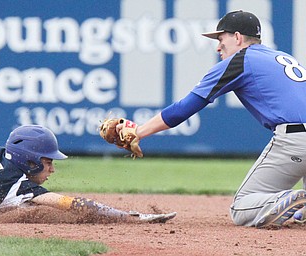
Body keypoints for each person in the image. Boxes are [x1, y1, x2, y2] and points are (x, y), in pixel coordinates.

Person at [117, 10, 306, 228]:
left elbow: (183, 109)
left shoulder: (241, 60)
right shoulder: (282, 57)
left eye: (220, 38)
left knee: (242, 208)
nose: (218, 47)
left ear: (237, 37)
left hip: (296, 140)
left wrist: (139, 131)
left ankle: (282, 199)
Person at [0, 124, 176, 223]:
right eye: (48, 161)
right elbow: (71, 204)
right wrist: (129, 217)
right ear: (29, 161)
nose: (52, 169)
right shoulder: (16, 184)